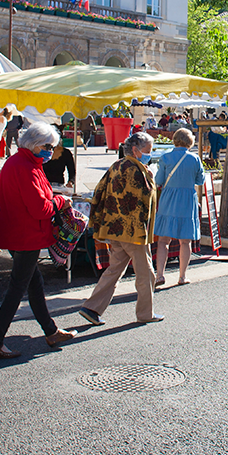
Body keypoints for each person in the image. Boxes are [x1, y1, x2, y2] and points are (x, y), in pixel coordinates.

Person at [0, 122, 77, 360]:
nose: (51, 151)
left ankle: (51, 331)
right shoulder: (26, 167)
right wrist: (60, 202)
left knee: (33, 283)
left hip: (19, 232)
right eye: (48, 146)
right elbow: (40, 208)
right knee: (17, 288)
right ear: (36, 145)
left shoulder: (21, 162)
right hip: (25, 234)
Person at [80, 132, 163, 325]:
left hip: (115, 228)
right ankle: (145, 313)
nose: (149, 154)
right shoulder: (136, 170)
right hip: (133, 231)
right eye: (147, 151)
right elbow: (144, 197)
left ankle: (91, 308)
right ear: (135, 150)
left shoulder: (116, 165)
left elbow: (99, 190)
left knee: (114, 270)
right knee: (146, 274)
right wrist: (151, 178)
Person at [153, 128, 207, 287]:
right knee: (185, 241)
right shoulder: (195, 158)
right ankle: (182, 276)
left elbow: (159, 179)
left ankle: (160, 275)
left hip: (168, 199)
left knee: (163, 241)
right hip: (187, 200)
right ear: (190, 142)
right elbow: (200, 180)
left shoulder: (165, 157)